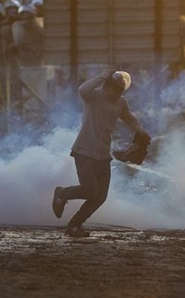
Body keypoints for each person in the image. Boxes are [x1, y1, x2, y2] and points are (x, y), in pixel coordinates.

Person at [51, 71, 149, 238]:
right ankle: (63, 193)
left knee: (100, 196)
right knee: (90, 191)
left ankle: (74, 226)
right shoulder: (93, 97)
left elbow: (130, 119)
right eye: (114, 89)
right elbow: (82, 89)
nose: (117, 94)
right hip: (84, 151)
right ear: (106, 87)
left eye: (120, 91)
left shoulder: (121, 102)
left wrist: (141, 133)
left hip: (103, 154)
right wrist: (104, 75)